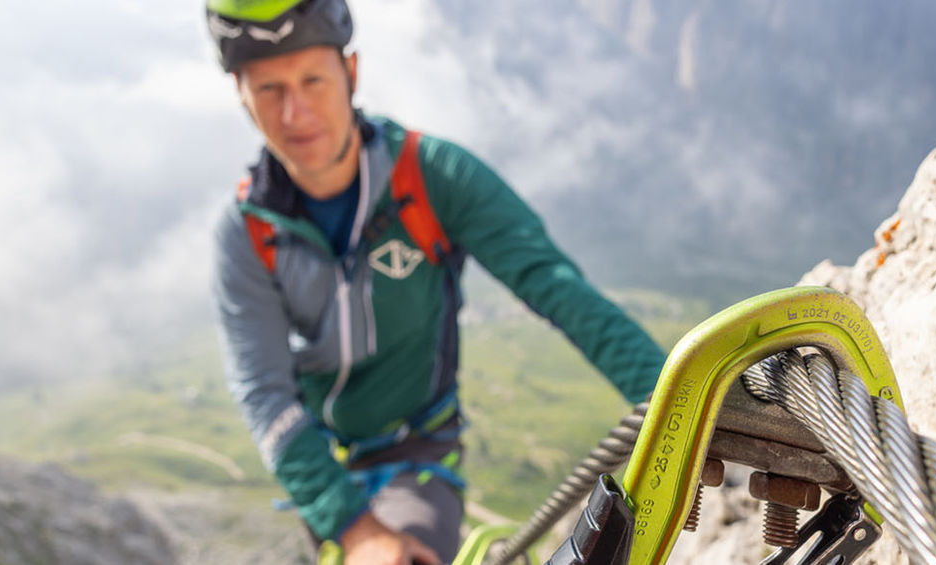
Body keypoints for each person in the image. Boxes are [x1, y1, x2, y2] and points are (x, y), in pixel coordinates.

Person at [205, 1, 667, 563]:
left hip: (417, 450)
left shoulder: (433, 177)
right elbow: (264, 392)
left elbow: (553, 285)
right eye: (270, 90)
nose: (296, 112)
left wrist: (672, 398)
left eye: (312, 80)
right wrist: (352, 526)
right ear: (241, 93)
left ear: (351, 73)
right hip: (320, 459)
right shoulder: (246, 233)